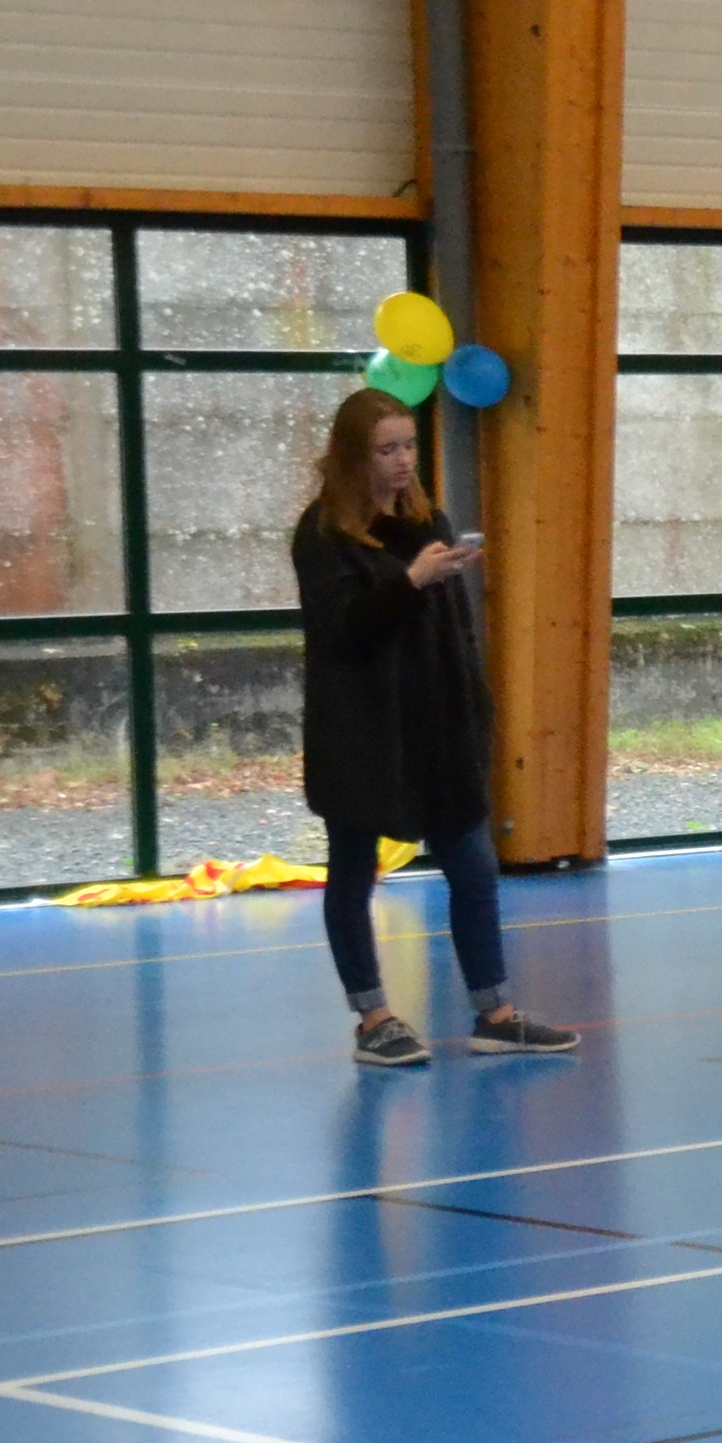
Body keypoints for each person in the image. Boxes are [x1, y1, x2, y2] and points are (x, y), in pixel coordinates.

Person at [292, 391, 575, 1067]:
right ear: (354, 457)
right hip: (362, 731)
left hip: (437, 728)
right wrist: (409, 581)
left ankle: (496, 1011)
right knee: (353, 873)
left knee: (474, 867)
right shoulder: (322, 533)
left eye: (408, 447)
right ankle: (373, 1017)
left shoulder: (429, 520)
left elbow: (453, 633)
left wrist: (475, 709)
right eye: (386, 450)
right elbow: (340, 628)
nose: (401, 462)